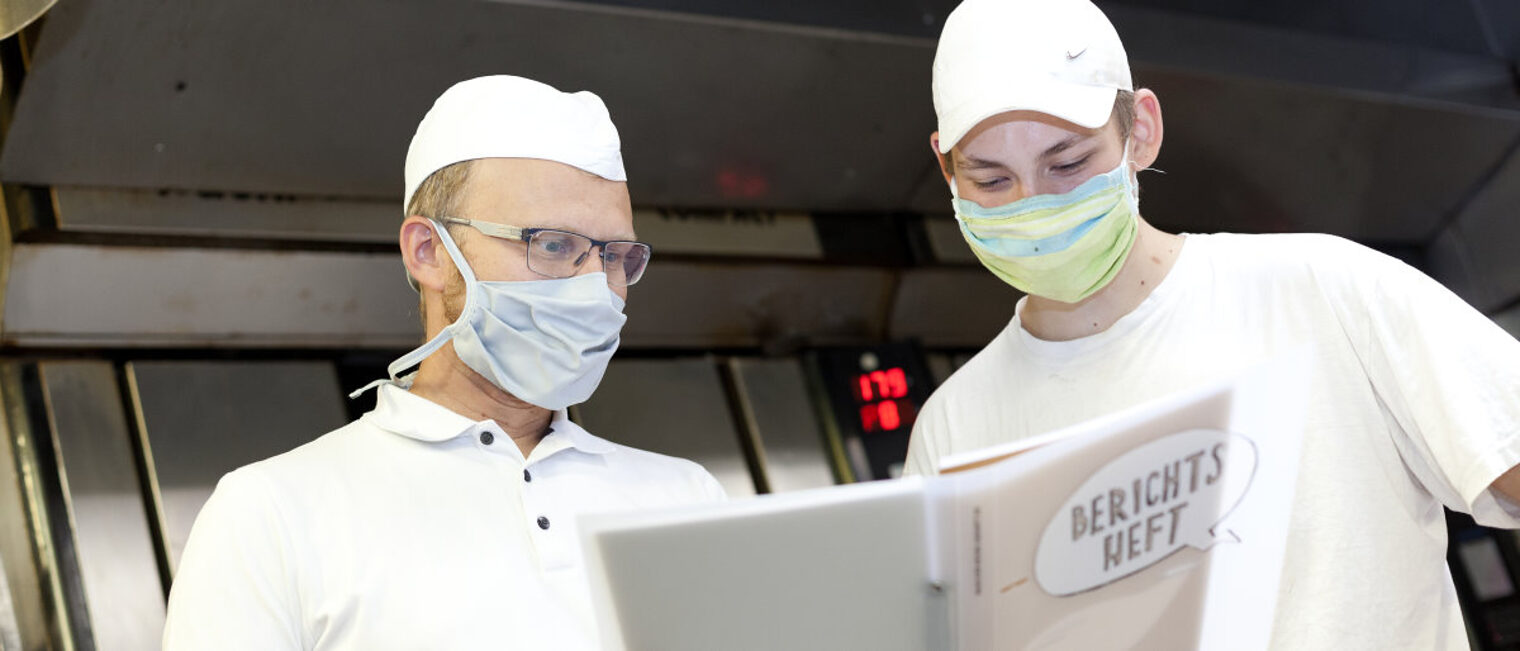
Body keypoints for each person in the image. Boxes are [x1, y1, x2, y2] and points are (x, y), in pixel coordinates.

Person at [903, 0, 1520, 648]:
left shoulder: (1325, 293)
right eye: (992, 179)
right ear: (946, 166)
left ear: (1139, 130)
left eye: (1068, 164)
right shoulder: (953, 432)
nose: (1035, 207)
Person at [162, 75, 726, 649]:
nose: (595, 290)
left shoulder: (685, 497)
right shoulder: (271, 514)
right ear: (428, 253)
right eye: (553, 245)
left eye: (614, 256)